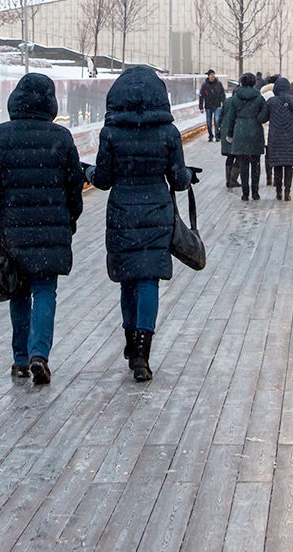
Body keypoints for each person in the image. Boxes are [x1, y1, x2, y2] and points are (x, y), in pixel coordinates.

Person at [0, 73, 86, 385]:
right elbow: (74, 186)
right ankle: (40, 354)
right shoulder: (61, 137)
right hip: (51, 228)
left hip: (12, 231)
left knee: (19, 292)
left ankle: (21, 358)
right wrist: (70, 217)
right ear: (50, 102)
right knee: (45, 289)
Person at [88, 67, 192, 383]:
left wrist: (87, 173)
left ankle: (131, 338)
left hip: (122, 212)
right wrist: (189, 175)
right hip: (156, 211)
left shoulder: (111, 133)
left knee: (128, 280)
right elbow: (178, 179)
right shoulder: (168, 133)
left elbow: (103, 180)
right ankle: (143, 353)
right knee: (148, 280)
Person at [258, 76, 293, 200]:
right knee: (289, 165)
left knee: (278, 166)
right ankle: (287, 192)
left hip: (275, 138)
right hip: (291, 138)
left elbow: (262, 118)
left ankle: (278, 191)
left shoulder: (271, 102)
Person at [219, 73, 267, 201]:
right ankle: (255, 192)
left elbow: (231, 118)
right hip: (255, 130)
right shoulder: (259, 97)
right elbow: (265, 114)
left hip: (240, 131)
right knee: (256, 164)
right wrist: (258, 119)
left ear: (241, 83)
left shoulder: (235, 98)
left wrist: (229, 134)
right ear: (254, 83)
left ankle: (245, 193)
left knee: (243, 164)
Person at [198, 70, 225, 142]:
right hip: (208, 106)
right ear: (208, 76)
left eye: (213, 74)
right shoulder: (204, 85)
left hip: (217, 105)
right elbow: (201, 96)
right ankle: (210, 136)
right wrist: (201, 107)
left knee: (217, 120)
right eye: (211, 75)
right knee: (208, 122)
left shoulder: (219, 84)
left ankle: (217, 136)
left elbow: (222, 94)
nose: (213, 76)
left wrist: (224, 104)